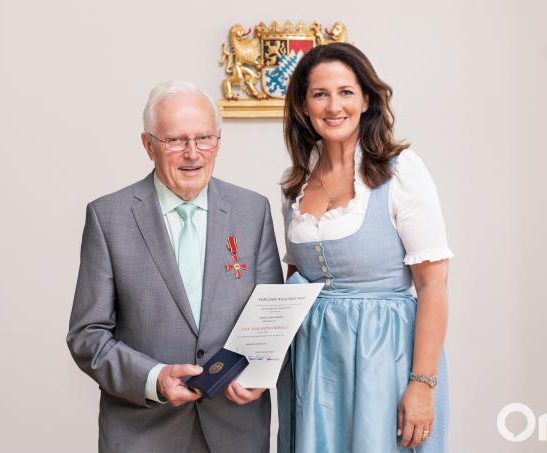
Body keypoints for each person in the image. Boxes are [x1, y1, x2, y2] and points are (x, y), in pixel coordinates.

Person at [67, 80, 283, 453]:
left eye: (204, 138)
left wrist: (261, 373)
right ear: (148, 145)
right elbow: (88, 335)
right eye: (176, 140)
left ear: (218, 141)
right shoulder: (108, 217)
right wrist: (154, 378)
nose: (193, 153)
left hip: (236, 429)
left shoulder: (253, 211)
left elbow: (270, 320)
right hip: (143, 433)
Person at [277, 43, 453, 452]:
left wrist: (422, 386)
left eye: (345, 92)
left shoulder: (401, 171)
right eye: (320, 94)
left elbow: (433, 285)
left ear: (366, 99)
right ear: (304, 106)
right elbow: (292, 284)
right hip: (313, 364)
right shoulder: (294, 182)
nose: (333, 106)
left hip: (384, 359)